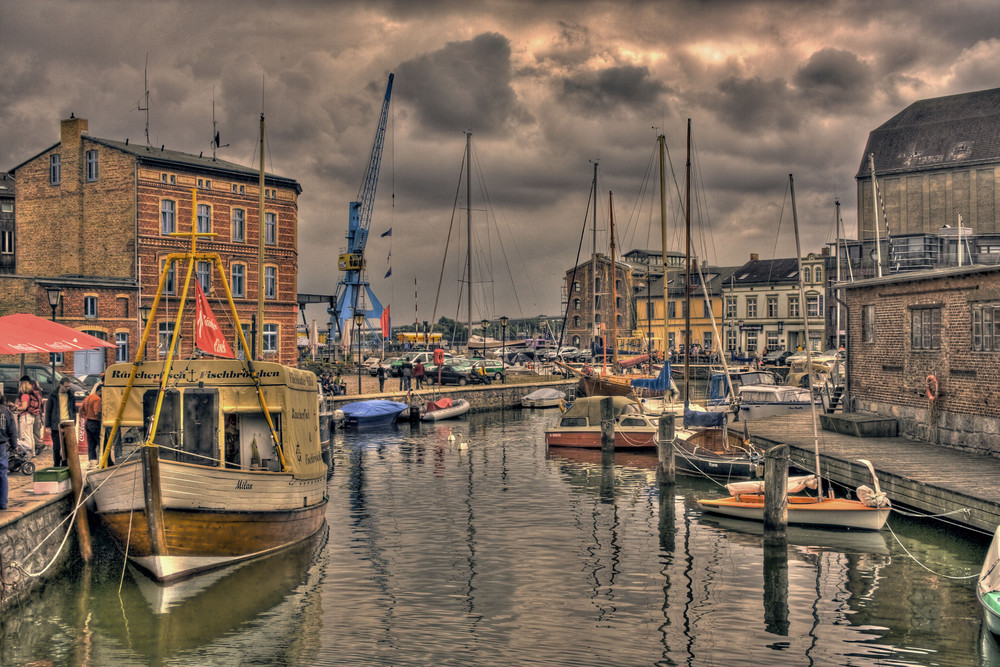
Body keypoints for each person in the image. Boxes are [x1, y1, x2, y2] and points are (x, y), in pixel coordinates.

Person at [45, 377, 77, 468]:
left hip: (68, 423)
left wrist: (74, 422)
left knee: (67, 447)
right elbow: (48, 410)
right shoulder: (53, 395)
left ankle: (64, 464)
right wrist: (47, 425)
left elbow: (74, 410)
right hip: (56, 424)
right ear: (61, 385)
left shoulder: (71, 395)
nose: (68, 388)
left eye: (69, 386)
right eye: (66, 386)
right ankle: (56, 464)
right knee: (57, 447)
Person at [13, 377, 39, 458]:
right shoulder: (30, 394)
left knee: (25, 436)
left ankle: (28, 454)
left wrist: (17, 407)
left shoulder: (24, 395)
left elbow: (24, 407)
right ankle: (32, 453)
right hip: (31, 416)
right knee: (30, 436)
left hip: (25, 417)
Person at [0, 394, 17, 510]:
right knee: (2, 474)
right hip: (1, 445)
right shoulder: (6, 411)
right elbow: (12, 430)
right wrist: (14, 445)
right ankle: (2, 503)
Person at [80, 385, 102, 468]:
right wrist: (101, 420)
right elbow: (97, 412)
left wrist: (88, 414)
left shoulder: (88, 397)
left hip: (88, 422)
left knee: (91, 445)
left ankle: (93, 463)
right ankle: (105, 462)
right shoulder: (97, 399)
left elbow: (82, 410)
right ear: (100, 391)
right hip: (95, 423)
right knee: (102, 444)